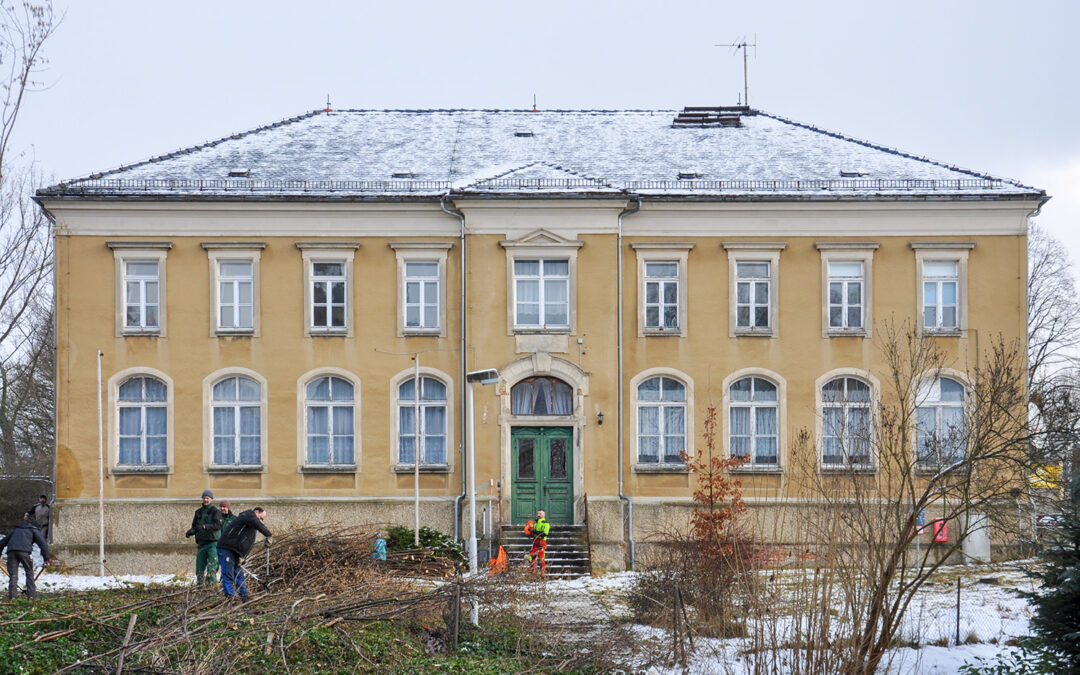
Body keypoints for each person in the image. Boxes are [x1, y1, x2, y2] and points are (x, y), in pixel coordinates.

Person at [216, 506, 271, 601]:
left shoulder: (250, 526)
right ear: (256, 512)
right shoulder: (248, 515)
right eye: (260, 518)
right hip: (226, 548)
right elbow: (257, 523)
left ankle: (245, 596)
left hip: (235, 551)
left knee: (239, 574)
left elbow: (247, 543)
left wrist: (243, 557)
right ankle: (231, 598)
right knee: (228, 573)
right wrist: (269, 535)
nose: (260, 521)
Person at [0, 512, 49, 599]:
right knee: (29, 572)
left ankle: (13, 597)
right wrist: (46, 559)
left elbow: (2, 542)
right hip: (25, 552)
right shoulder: (34, 529)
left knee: (13, 575)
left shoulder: (17, 529)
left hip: (11, 552)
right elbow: (43, 545)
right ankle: (31, 596)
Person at [185, 490, 222, 585]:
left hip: (212, 543)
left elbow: (217, 526)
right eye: (204, 498)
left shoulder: (216, 512)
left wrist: (205, 527)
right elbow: (195, 526)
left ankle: (211, 587)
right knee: (199, 568)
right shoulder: (198, 512)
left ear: (211, 499)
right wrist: (191, 532)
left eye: (208, 498)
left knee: (212, 568)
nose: (206, 500)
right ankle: (200, 587)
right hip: (201, 544)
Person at [527, 509, 551, 574]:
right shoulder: (535, 524)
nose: (538, 515)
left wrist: (533, 531)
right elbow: (533, 533)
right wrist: (529, 531)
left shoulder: (546, 524)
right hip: (535, 542)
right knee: (531, 557)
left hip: (541, 542)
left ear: (544, 515)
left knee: (541, 558)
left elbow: (544, 534)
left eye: (540, 513)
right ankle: (533, 572)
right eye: (538, 513)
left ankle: (542, 574)